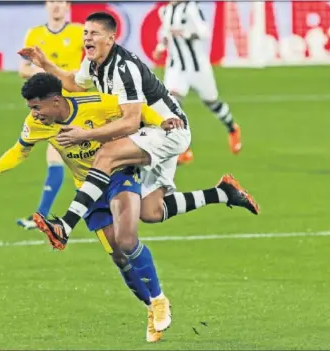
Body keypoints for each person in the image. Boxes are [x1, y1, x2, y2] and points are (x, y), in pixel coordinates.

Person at [0, 73, 181, 343]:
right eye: (30, 108)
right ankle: (151, 308)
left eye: (37, 107)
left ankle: (159, 298)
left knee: (127, 240)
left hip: (119, 176)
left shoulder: (95, 103)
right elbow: (19, 150)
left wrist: (163, 121)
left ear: (56, 101)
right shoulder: (36, 123)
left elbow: (135, 111)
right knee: (118, 257)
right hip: (88, 192)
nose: (34, 114)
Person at [19, 12, 259, 250]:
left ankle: (66, 225)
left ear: (110, 39)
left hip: (167, 130)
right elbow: (74, 84)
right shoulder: (93, 62)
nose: (87, 38)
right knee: (151, 211)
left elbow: (131, 122)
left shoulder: (124, 69)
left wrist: (84, 134)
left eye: (94, 33)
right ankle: (223, 193)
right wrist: (46, 65)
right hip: (151, 134)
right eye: (85, 33)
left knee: (106, 154)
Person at [16, 0, 85, 230]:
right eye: (52, 1)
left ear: (68, 6)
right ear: (46, 6)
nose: (56, 6)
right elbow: (23, 69)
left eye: (61, 2)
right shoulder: (35, 34)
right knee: (62, 158)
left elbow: (91, 64)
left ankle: (43, 215)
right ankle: (42, 215)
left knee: (76, 159)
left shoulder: (78, 32)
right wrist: (38, 70)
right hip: (51, 108)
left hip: (75, 104)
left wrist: (74, 74)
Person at [153, 0, 242, 164]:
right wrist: (160, 47)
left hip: (197, 68)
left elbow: (204, 32)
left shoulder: (191, 8)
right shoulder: (165, 11)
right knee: (171, 105)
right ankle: (183, 150)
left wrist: (185, 33)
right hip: (176, 67)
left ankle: (232, 128)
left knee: (212, 102)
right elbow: (165, 35)